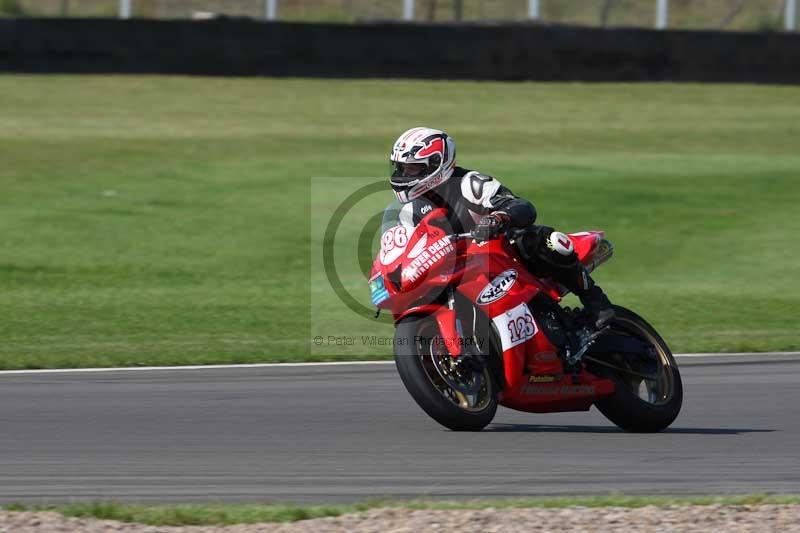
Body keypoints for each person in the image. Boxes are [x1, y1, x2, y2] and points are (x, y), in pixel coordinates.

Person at [386, 126, 615, 328]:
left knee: (546, 240)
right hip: (455, 267)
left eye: (413, 169)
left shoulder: (469, 183)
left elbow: (522, 206)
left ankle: (595, 301)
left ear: (437, 164)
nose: (404, 175)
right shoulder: (408, 212)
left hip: (502, 256)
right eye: (401, 168)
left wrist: (498, 218)